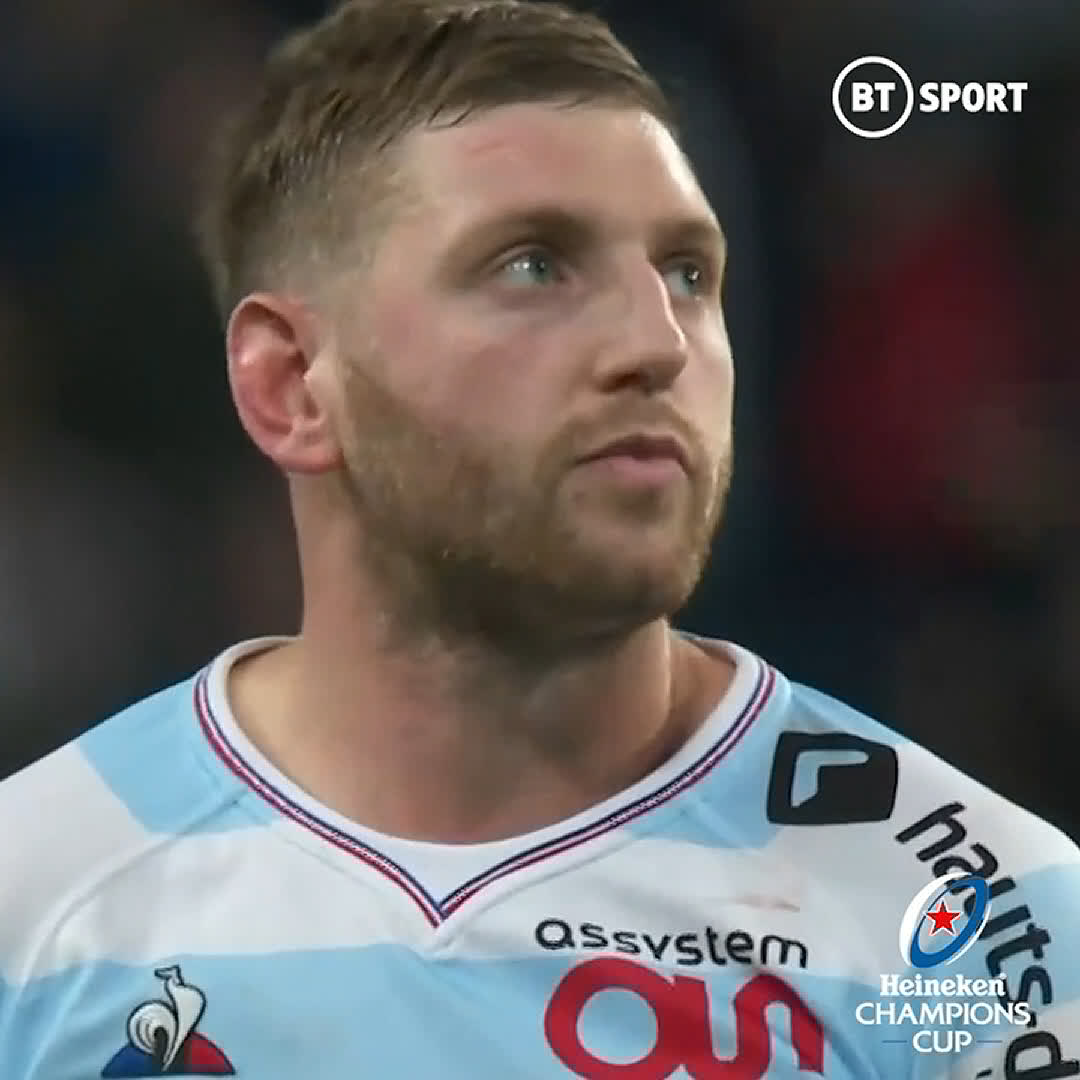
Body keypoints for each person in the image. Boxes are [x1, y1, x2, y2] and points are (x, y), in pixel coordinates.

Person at [1, 1, 1077, 1076]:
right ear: (292, 385)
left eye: (688, 273)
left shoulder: (987, 924)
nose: (658, 342)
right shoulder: (34, 903)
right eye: (532, 266)